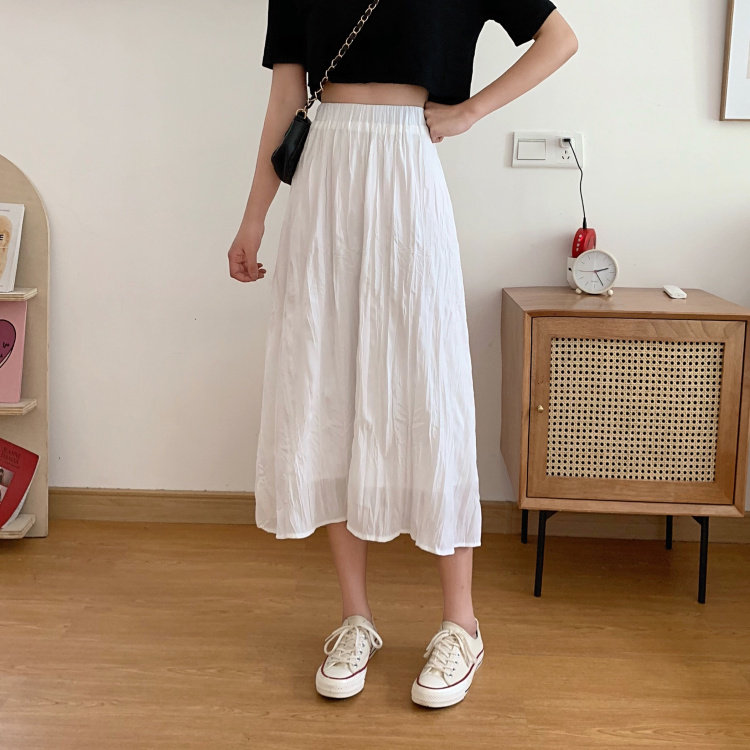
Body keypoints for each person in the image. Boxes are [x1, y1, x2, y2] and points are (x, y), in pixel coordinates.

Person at [229, 0, 578, 709]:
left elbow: (559, 38)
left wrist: (471, 111)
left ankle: (461, 625)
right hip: (323, 179)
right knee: (328, 384)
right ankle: (355, 618)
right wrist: (254, 217)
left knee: (429, 387)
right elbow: (286, 99)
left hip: (407, 172)